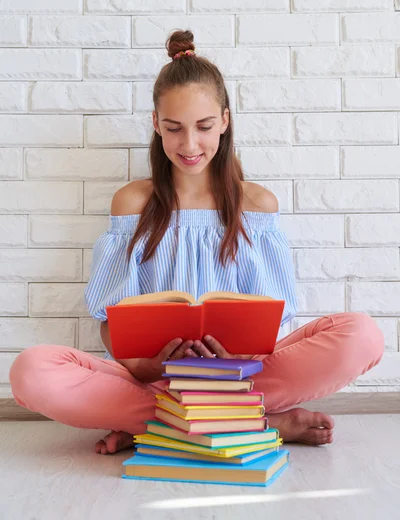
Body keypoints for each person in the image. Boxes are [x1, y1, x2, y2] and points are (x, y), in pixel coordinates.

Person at [9, 30, 384, 455]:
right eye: (174, 128)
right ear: (156, 124)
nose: (189, 144)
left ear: (225, 120)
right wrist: (141, 366)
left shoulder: (257, 206)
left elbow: (276, 318)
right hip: (155, 381)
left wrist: (238, 360)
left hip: (243, 377)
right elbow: (109, 318)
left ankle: (163, 427)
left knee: (363, 335)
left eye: (204, 126)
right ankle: (257, 422)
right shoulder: (132, 203)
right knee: (32, 370)